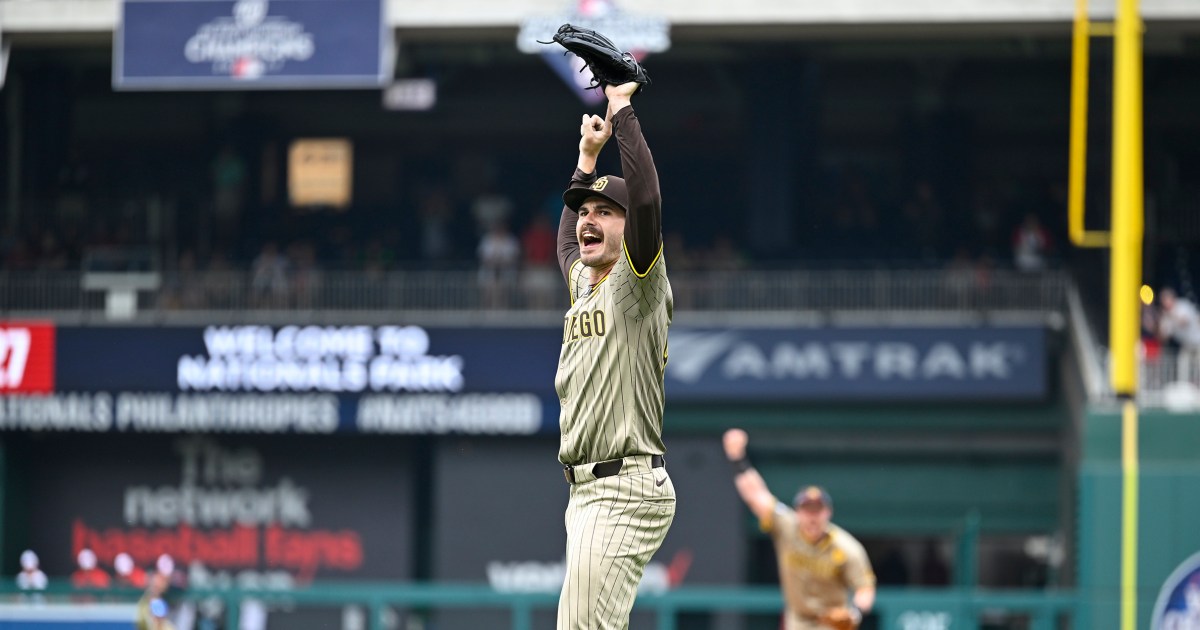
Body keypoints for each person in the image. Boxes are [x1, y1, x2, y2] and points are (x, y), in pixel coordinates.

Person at [553, 81, 675, 630]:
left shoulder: (636, 279)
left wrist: (622, 108)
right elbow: (564, 246)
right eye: (585, 212)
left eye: (605, 212)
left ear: (629, 231)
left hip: (623, 487)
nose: (588, 220)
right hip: (588, 491)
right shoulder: (586, 281)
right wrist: (585, 159)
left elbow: (646, 198)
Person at [723, 429, 875, 630]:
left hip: (832, 624)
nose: (812, 517)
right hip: (797, 622)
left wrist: (854, 613)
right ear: (798, 511)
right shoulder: (787, 526)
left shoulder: (846, 547)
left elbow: (865, 588)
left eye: (817, 510)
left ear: (828, 513)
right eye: (807, 509)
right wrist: (738, 460)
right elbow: (756, 496)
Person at [1157, 287, 1200, 384]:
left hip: (1198, 342)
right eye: (1163, 300)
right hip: (1186, 345)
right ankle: (1184, 387)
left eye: (1166, 299)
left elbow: (1184, 322)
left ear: (1172, 298)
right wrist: (1157, 322)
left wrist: (1171, 316)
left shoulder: (1182, 305)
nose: (1165, 303)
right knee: (1183, 365)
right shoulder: (1166, 316)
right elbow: (1163, 337)